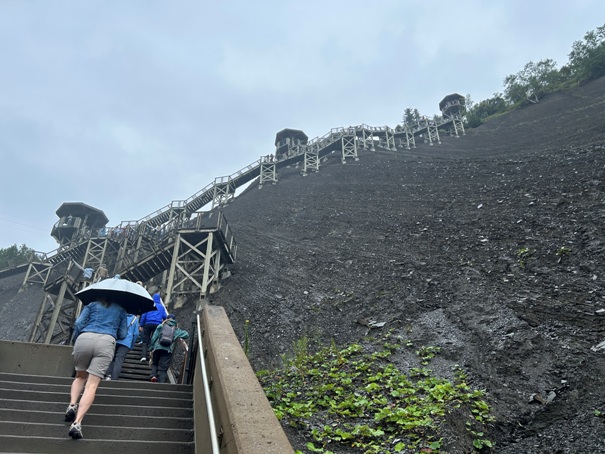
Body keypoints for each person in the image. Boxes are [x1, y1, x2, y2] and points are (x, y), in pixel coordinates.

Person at [65, 297, 127, 439]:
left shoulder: (91, 304)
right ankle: (77, 423)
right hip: (106, 341)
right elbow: (123, 334)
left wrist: (76, 339)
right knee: (91, 385)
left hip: (84, 338)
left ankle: (72, 404)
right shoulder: (121, 310)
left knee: (80, 376)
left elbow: (79, 323)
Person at [149, 314, 189, 383]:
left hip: (157, 348)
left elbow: (154, 338)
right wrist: (178, 328)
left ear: (166, 319)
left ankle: (154, 375)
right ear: (174, 320)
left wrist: (151, 347)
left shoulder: (161, 326)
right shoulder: (176, 329)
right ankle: (161, 383)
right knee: (163, 368)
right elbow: (186, 335)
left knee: (155, 363)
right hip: (168, 350)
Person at [104, 313, 139, 380]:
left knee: (111, 357)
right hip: (126, 342)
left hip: (116, 339)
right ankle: (114, 378)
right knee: (119, 360)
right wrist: (131, 345)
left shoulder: (120, 314)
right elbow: (136, 334)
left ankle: (108, 375)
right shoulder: (135, 319)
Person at [138, 292, 167, 362]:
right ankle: (153, 356)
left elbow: (144, 315)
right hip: (157, 325)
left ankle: (144, 356)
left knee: (145, 340)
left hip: (148, 324)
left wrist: (141, 324)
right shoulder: (161, 307)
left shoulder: (149, 304)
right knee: (155, 340)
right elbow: (165, 316)